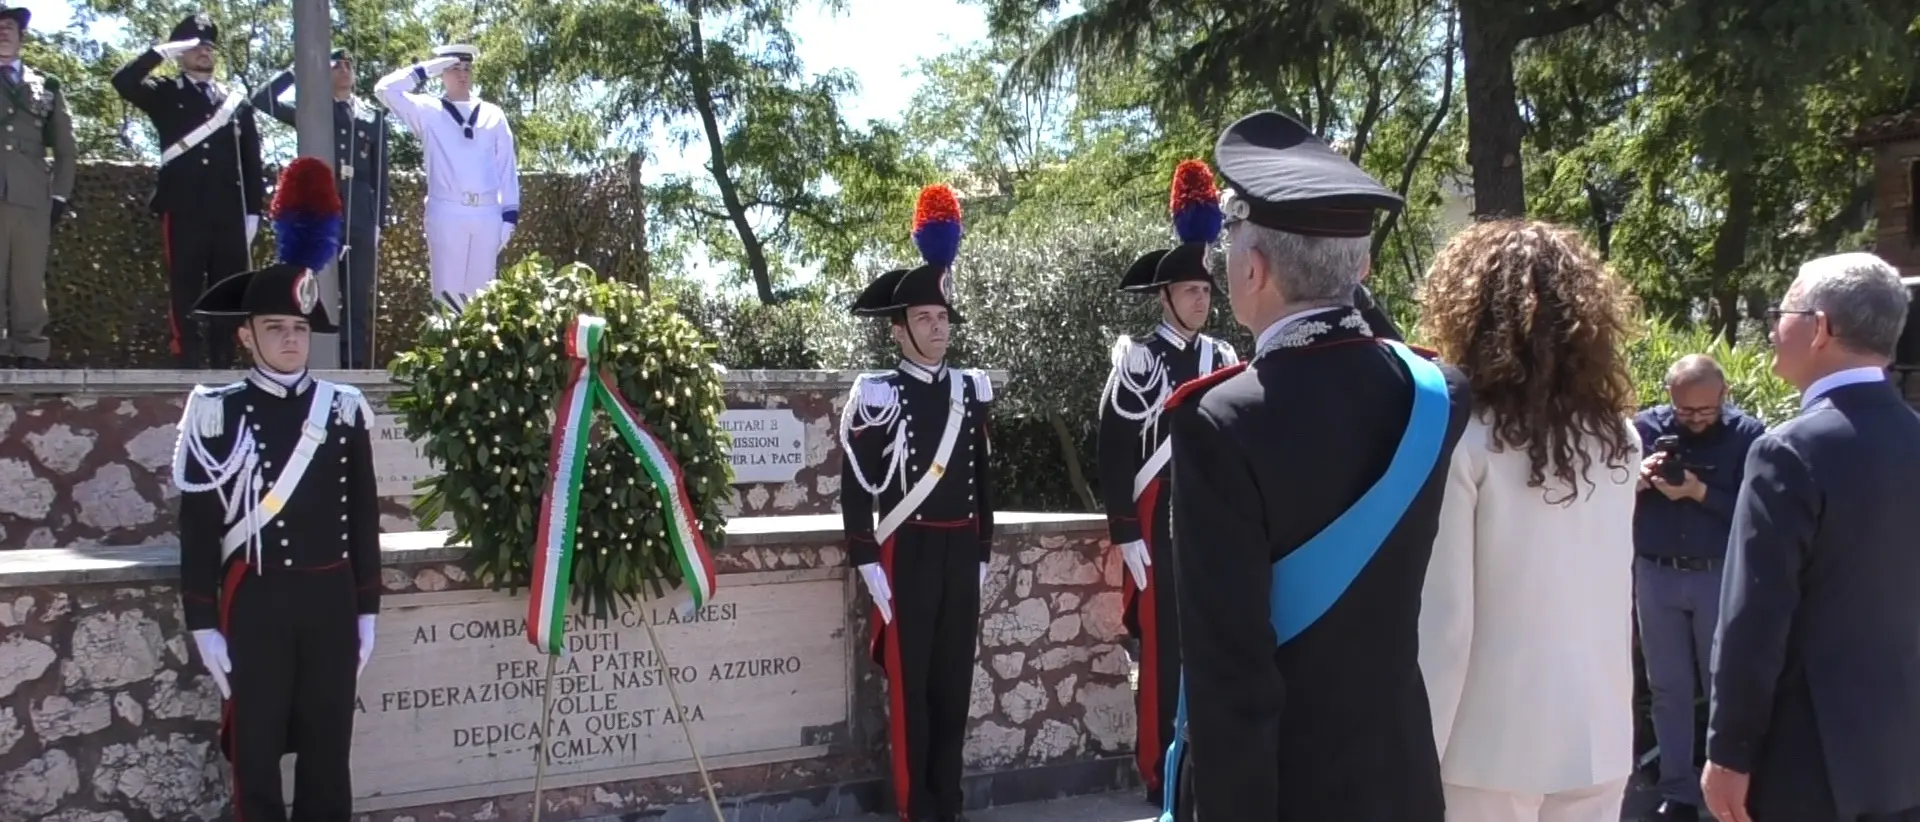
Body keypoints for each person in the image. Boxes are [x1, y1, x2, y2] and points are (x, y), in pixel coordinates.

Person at [1160, 110, 1471, 822]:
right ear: (1362, 268)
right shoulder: (1438, 395)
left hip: (1286, 792)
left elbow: (1229, 678)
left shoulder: (1219, 422)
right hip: (1401, 784)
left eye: (1235, 240)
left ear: (1253, 267)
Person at [171, 157, 380, 822]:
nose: (290, 342)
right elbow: (200, 527)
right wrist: (203, 620)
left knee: (328, 758)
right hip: (255, 602)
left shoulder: (343, 409)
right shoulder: (216, 410)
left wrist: (366, 609)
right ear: (246, 334)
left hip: (329, 600)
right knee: (254, 757)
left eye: (298, 330)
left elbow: (362, 518)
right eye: (275, 330)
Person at [1415, 219, 1642, 822]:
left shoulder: (1463, 438)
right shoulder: (1620, 438)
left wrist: (1414, 753)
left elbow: (1447, 625)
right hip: (1597, 733)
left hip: (1483, 749)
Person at [1703, 252, 1920, 822]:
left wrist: (1728, 752)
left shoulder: (1788, 452)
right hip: (1903, 756)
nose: (1774, 327)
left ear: (1819, 328)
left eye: (1784, 311)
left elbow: (1753, 617)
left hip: (1807, 760)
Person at [839, 183, 995, 822]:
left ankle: (948, 802)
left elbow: (984, 477)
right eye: (925, 319)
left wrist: (984, 548)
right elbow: (856, 485)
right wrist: (867, 560)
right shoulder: (876, 394)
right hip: (909, 549)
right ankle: (917, 806)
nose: (939, 328)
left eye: (943, 318)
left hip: (961, 550)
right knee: (912, 691)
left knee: (954, 684)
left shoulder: (971, 388)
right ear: (898, 329)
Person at [1095, 159, 1236, 805]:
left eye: (1206, 290)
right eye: (1189, 292)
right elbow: (1115, 447)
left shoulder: (1224, 358)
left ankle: (1208, 758)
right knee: (1164, 651)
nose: (1200, 300)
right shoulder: (1139, 360)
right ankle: (1160, 770)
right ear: (1164, 297)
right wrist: (1126, 534)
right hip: (1156, 519)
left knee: (1216, 638)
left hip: (1214, 514)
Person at [1630, 354, 1766, 822]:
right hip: (1657, 572)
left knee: (1722, 686)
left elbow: (1757, 513)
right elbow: (1606, 492)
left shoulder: (1748, 437)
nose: (1694, 420)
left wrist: (1697, 493)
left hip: (1717, 574)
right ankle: (1678, 792)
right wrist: (1638, 479)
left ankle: (1728, 789)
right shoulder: (1646, 428)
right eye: (1685, 411)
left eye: (1704, 411)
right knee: (1666, 687)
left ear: (1722, 397)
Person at [112, 11, 266, 370]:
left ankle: (224, 358)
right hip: (184, 208)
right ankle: (188, 357)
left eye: (209, 46)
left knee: (228, 288)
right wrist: (160, 52)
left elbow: (252, 162)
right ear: (180, 53)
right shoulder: (165, 93)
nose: (204, 52)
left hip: (228, 211)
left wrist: (254, 212)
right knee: (185, 286)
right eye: (195, 46)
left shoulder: (235, 104)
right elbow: (123, 82)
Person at [252, 48, 392, 369]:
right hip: (320, 212)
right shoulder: (313, 111)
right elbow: (263, 99)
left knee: (356, 296)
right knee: (312, 290)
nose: (343, 70)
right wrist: (299, 68)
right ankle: (312, 361)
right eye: (335, 65)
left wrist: (378, 221)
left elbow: (380, 174)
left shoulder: (373, 117)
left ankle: (353, 365)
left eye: (348, 64)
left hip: (359, 212)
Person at [373, 43, 519, 306]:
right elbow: (384, 90)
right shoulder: (428, 110)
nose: (462, 75)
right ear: (442, 73)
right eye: (453, 69)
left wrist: (509, 216)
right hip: (447, 210)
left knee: (481, 303)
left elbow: (506, 167)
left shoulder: (492, 114)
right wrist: (428, 68)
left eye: (466, 68)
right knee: (447, 300)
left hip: (486, 213)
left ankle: (478, 349)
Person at [0, 4, 74, 369]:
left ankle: (30, 350)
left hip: (31, 196)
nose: (3, 32)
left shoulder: (45, 85)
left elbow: (64, 148)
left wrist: (59, 194)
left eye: (10, 26)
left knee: (28, 280)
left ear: (21, 35)